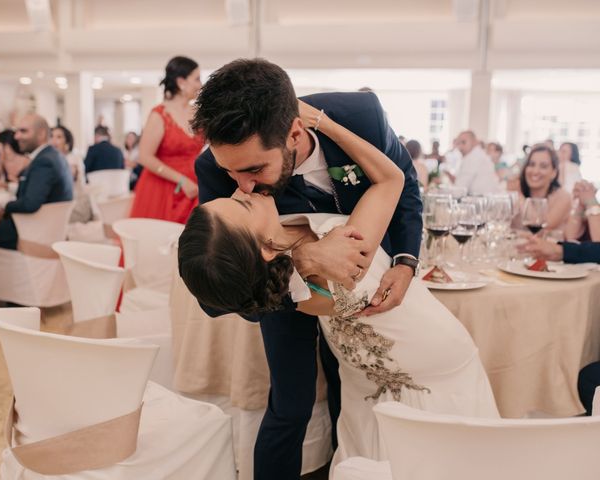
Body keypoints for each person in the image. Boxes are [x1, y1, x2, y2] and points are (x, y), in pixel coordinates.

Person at [180, 98, 498, 470]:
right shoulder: (337, 243)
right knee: (294, 409)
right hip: (414, 363)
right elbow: (392, 178)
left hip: (387, 371)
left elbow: (239, 277)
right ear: (263, 250)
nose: (241, 189)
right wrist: (326, 124)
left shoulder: (287, 279)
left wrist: (405, 261)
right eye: (243, 205)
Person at [189, 58, 424, 480]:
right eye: (232, 174)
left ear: (295, 133)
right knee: (290, 401)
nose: (243, 187)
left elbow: (402, 181)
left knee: (350, 386)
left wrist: (406, 261)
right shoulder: (216, 167)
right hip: (282, 293)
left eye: (255, 170)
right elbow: (220, 296)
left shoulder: (360, 116)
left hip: (365, 276)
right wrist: (300, 264)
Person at [130, 56, 204, 223]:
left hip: (195, 187)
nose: (200, 85)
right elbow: (144, 156)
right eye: (197, 79)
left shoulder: (198, 113)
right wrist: (181, 180)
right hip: (163, 188)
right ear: (181, 82)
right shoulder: (159, 114)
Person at [0, 114, 73, 250]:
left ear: (41, 134)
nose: (16, 136)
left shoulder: (44, 161)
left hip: (35, 232)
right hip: (47, 227)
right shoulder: (52, 155)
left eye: (23, 131)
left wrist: (5, 206)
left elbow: (30, 204)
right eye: (17, 131)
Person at [513, 144, 571, 232]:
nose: (535, 171)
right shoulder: (513, 196)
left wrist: (519, 194)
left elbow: (542, 226)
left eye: (543, 166)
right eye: (531, 164)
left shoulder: (563, 197)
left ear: (553, 173)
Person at [51, 125, 93, 224]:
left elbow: (65, 181)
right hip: (63, 204)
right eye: (52, 136)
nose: (54, 140)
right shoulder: (56, 158)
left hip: (75, 206)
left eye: (59, 137)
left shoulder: (72, 158)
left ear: (67, 141)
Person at [453, 130, 500, 195]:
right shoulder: (479, 155)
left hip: (481, 201)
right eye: (458, 143)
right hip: (485, 199)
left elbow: (459, 189)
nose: (460, 147)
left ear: (474, 142)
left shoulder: (473, 157)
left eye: (464, 142)